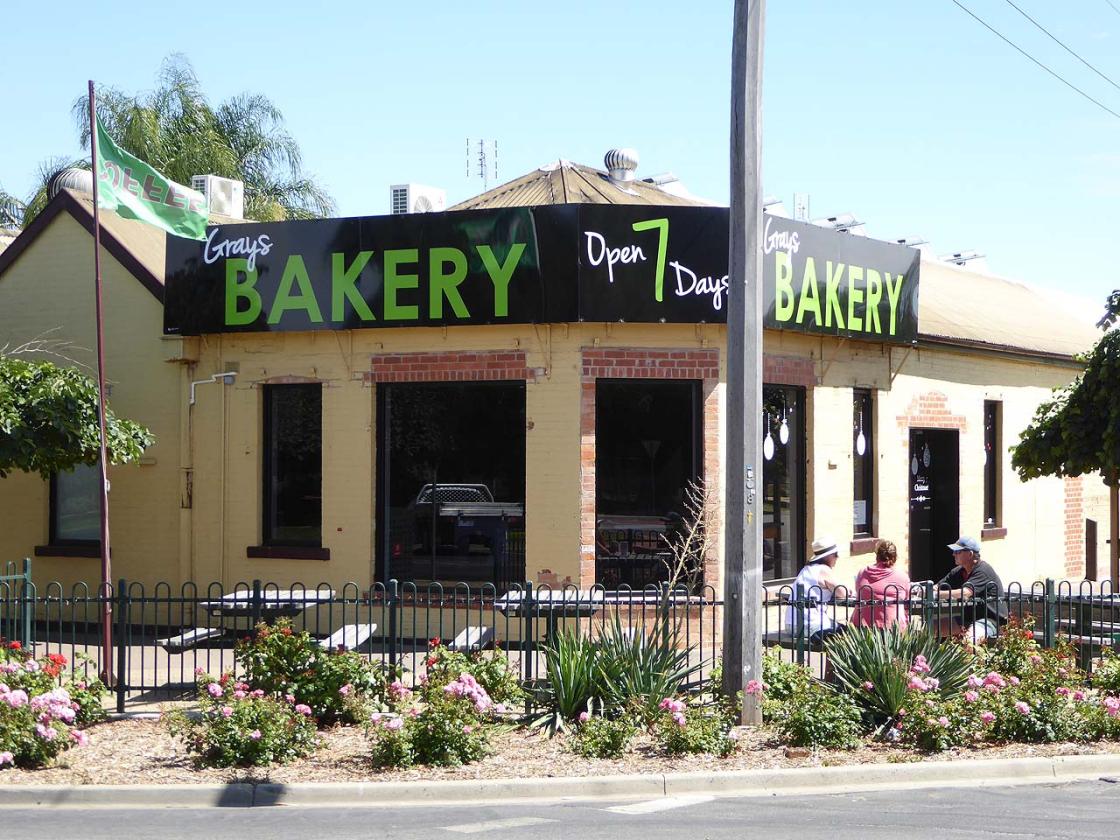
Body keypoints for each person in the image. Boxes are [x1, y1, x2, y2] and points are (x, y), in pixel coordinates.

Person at [934, 536, 1008, 641]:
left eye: (957, 551)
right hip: (968, 618)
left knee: (969, 642)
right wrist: (922, 591)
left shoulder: (983, 571)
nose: (953, 554)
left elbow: (965, 593)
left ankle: (965, 658)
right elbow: (937, 586)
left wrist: (936, 595)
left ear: (970, 554)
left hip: (990, 620)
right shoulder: (959, 571)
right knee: (929, 629)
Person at [784, 536, 845, 647]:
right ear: (828, 556)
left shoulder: (806, 569)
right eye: (835, 554)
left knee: (836, 627)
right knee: (847, 633)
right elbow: (842, 593)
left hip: (791, 625)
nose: (837, 557)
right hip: (809, 626)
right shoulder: (824, 570)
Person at [852, 539, 910, 629]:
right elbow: (907, 603)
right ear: (894, 557)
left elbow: (858, 594)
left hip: (863, 629)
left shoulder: (862, 573)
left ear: (877, 556)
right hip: (892, 629)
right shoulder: (902, 577)